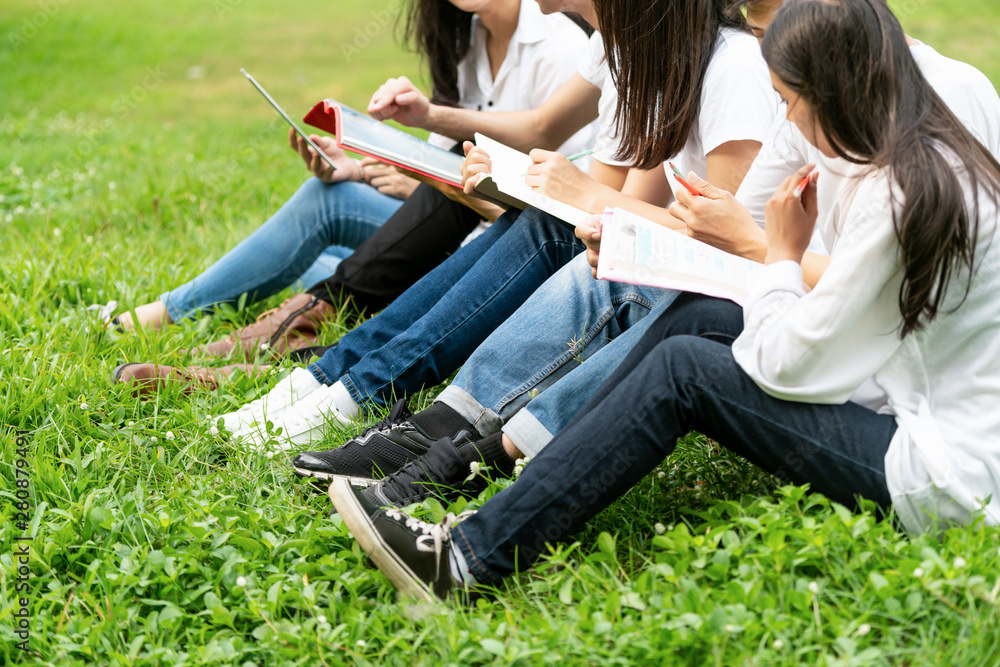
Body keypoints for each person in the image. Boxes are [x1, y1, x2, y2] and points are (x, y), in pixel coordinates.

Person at [328, 0, 1000, 601]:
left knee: (686, 369)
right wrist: (685, 245)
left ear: (832, 88)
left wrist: (779, 255)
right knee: (701, 313)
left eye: (790, 102)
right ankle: (490, 470)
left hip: (943, 473)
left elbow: (786, 364)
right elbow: (736, 212)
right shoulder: (884, 121)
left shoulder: (902, 195)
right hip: (893, 389)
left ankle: (468, 556)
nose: (785, 119)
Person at [220, 0, 771, 458]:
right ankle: (333, 381)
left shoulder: (728, 66)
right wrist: (540, 188)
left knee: (552, 225)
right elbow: (614, 209)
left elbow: (724, 242)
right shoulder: (642, 55)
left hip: (725, 295)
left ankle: (349, 388)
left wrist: (578, 195)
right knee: (546, 221)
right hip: (649, 261)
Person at [111, 0, 594, 359]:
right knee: (330, 208)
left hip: (497, 232)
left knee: (328, 249)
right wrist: (362, 166)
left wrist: (426, 178)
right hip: (447, 215)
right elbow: (443, 163)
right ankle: (225, 310)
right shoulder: (467, 41)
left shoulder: (562, 46)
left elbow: (542, 179)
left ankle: (172, 314)